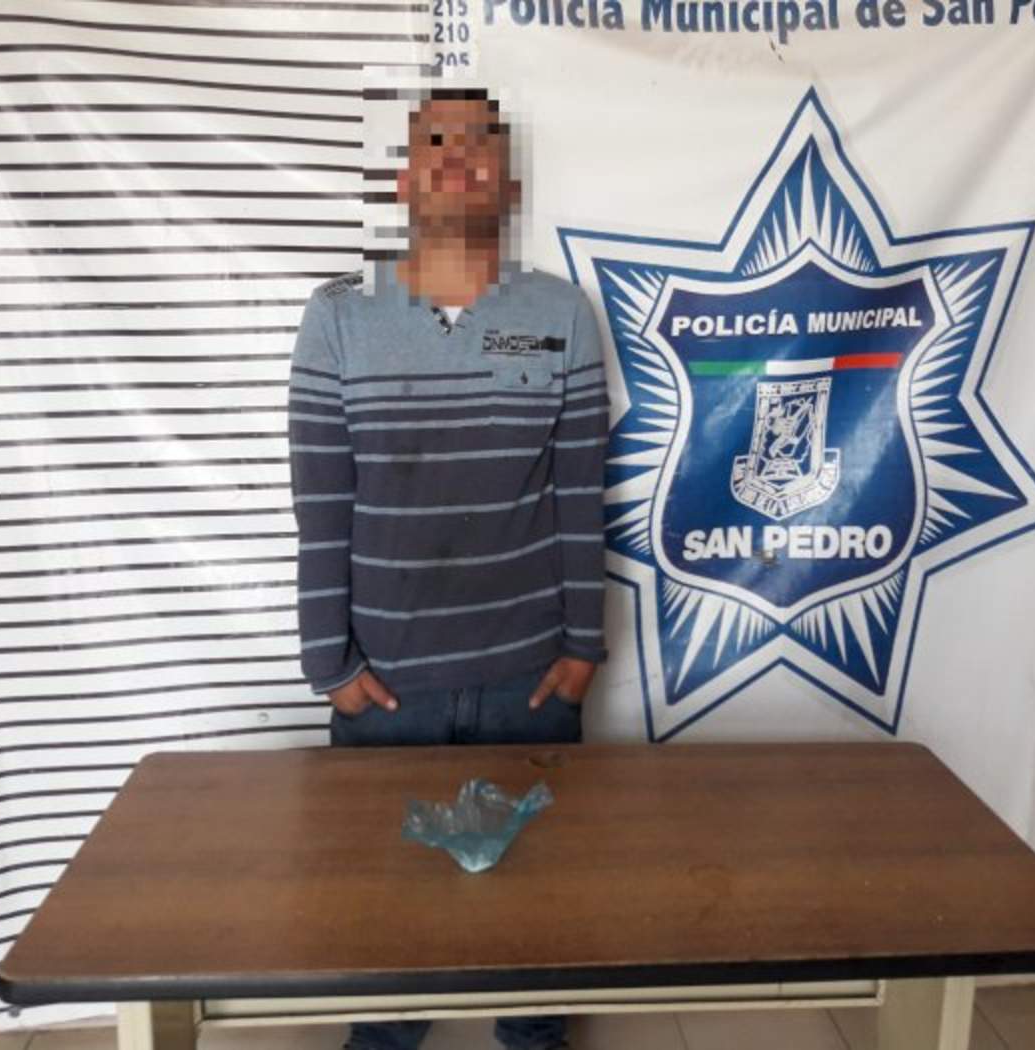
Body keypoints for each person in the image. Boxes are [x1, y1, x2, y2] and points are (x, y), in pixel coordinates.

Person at [286, 86, 610, 1050]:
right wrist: (327, 663)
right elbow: (321, 503)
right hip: (388, 689)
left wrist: (584, 646)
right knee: (386, 926)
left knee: (537, 922)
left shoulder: (559, 315)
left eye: (478, 142)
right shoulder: (339, 319)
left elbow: (580, 489)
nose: (457, 154)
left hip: (530, 682)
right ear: (404, 179)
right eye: (435, 140)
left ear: (506, 185)